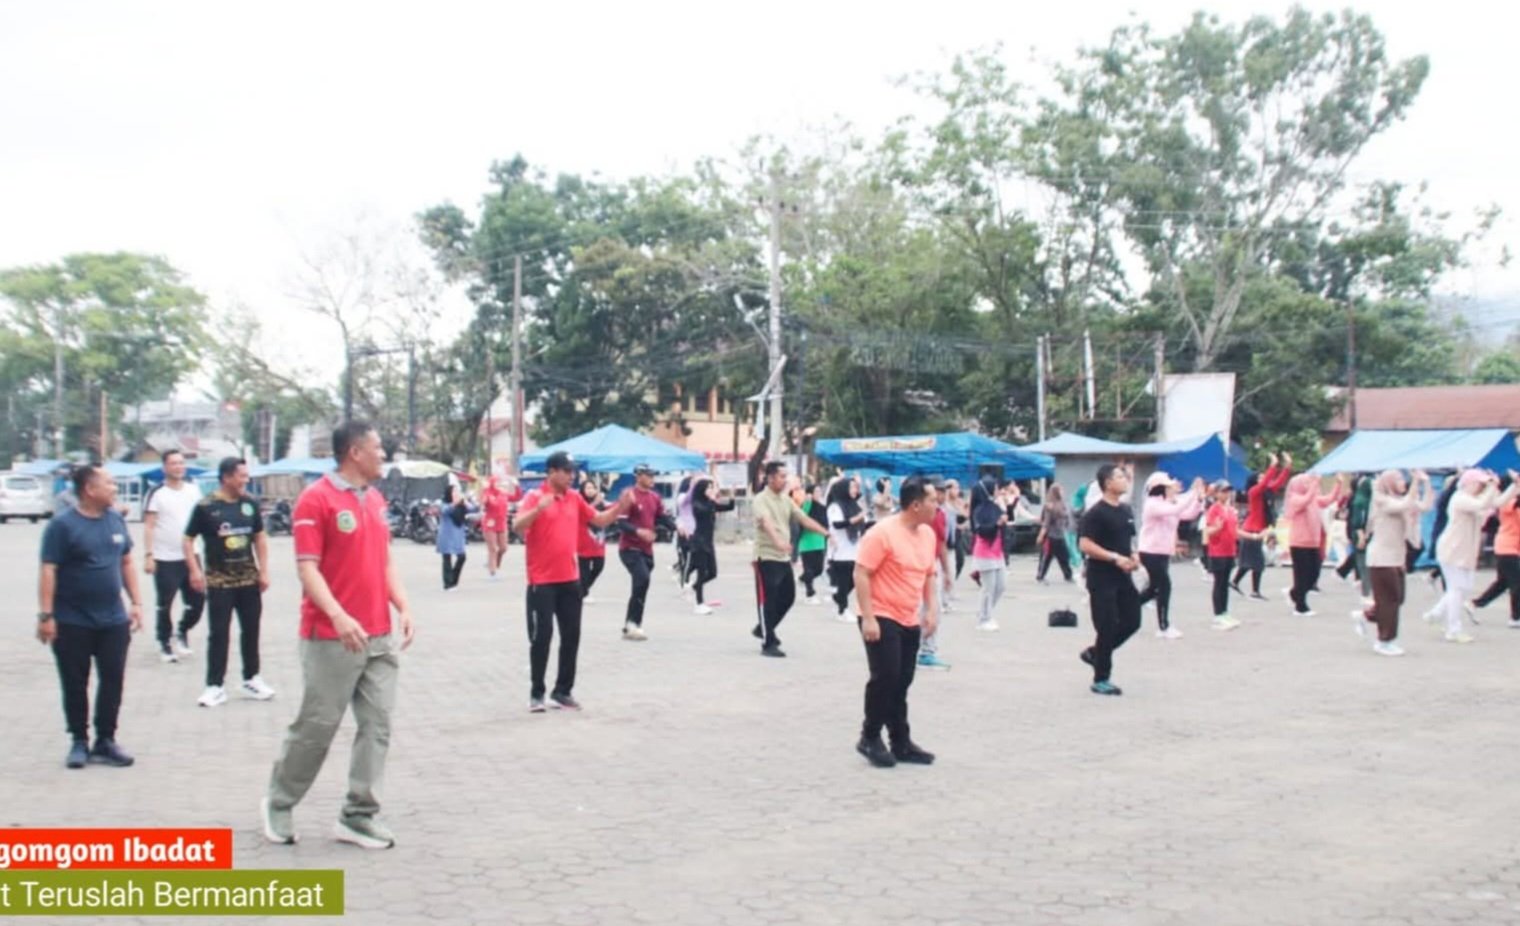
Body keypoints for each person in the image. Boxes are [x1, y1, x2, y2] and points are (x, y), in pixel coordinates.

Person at [262, 421, 416, 850]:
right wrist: (338, 614)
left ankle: (358, 815)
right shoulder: (317, 499)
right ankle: (279, 800)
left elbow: (384, 561)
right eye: (378, 447)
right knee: (317, 726)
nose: (383, 455)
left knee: (377, 725)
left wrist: (402, 605)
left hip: (379, 635)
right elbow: (306, 566)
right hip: (331, 635)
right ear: (354, 452)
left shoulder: (376, 500)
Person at [37, 464, 143, 769]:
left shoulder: (115, 521)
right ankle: (79, 741)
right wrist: (46, 615)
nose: (114, 488)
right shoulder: (62, 526)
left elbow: (126, 562)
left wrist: (136, 603)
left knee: (112, 680)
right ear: (89, 489)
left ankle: (106, 740)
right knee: (75, 681)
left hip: (112, 620)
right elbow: (48, 569)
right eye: (109, 483)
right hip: (72, 620)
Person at [514, 452, 629, 712]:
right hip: (541, 581)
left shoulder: (574, 498)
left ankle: (563, 690)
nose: (571, 476)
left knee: (571, 636)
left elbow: (598, 520)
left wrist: (620, 508)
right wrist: (537, 510)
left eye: (572, 471)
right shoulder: (535, 497)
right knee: (541, 637)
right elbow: (517, 526)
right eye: (566, 471)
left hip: (569, 579)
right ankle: (537, 693)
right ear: (552, 471)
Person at [853, 476, 941, 768]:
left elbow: (928, 574)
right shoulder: (882, 533)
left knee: (902, 681)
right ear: (915, 505)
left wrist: (931, 609)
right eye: (932, 500)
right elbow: (861, 573)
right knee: (886, 677)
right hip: (880, 614)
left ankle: (900, 741)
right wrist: (868, 618)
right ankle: (869, 736)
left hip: (908, 616)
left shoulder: (927, 534)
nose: (937, 504)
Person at [185, 456, 275, 708]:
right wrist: (194, 570)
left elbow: (259, 538)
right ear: (226, 477)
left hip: (248, 580)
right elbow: (187, 539)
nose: (245, 480)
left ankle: (251, 678)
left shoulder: (249, 505)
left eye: (247, 475)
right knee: (219, 634)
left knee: (251, 630)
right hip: (219, 582)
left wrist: (264, 570)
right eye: (241, 476)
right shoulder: (206, 507)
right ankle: (215, 685)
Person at [1077, 463, 1142, 696]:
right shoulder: (1096, 513)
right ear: (1107, 483)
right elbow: (1085, 544)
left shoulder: (1125, 510)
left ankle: (1096, 653)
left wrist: (1133, 556)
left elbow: (1129, 541)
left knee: (1133, 620)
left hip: (1123, 576)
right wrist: (1114, 558)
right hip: (1101, 577)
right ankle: (1101, 678)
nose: (1125, 480)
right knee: (1105, 626)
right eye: (1119, 476)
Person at [752, 461, 828, 657]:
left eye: (786, 476)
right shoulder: (761, 499)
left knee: (788, 597)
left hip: (783, 557)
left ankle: (764, 628)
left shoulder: (785, 500)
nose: (785, 481)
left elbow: (803, 518)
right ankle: (768, 643)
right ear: (770, 478)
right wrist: (777, 541)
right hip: (766, 556)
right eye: (781, 476)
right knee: (767, 600)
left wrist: (825, 533)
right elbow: (765, 522)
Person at [1354, 468, 1432, 655]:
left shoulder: (1401, 500)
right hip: (1381, 558)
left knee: (1398, 599)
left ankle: (1367, 615)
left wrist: (1426, 483)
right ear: (1388, 482)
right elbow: (1404, 505)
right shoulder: (1380, 499)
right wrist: (1415, 483)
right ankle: (1384, 641)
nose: (1402, 481)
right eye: (1398, 479)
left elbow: (1425, 506)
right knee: (1390, 600)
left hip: (1397, 557)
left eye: (1402, 478)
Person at [1432, 469, 1511, 644]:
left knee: (1464, 588)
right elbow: (1481, 505)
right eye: (1479, 483)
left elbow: (1498, 502)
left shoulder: (1475, 499)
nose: (1482, 487)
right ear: (1468, 483)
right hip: (1452, 549)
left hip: (1465, 550)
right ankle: (1453, 629)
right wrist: (1493, 486)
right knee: (1457, 589)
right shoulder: (1460, 498)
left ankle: (1436, 613)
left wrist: (1513, 486)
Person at [143, 449, 204, 662]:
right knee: (165, 602)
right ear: (165, 468)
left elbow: (202, 520)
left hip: (192, 555)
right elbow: (149, 526)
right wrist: (149, 555)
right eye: (173, 463)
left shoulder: (193, 491)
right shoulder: (156, 493)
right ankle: (164, 643)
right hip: (165, 556)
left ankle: (182, 631)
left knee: (198, 600)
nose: (178, 467)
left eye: (181, 463)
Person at [1135, 472, 1205, 639]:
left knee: (1153, 589)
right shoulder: (1153, 504)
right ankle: (1163, 626)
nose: (1173, 489)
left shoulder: (1167, 503)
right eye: (1169, 486)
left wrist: (1198, 499)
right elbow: (1177, 508)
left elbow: (1187, 514)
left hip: (1162, 552)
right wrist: (1193, 492)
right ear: (1160, 488)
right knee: (1163, 586)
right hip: (1150, 551)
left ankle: (1125, 608)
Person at [615, 464, 675, 641]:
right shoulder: (629, 495)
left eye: (653, 475)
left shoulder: (654, 497)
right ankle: (633, 623)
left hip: (647, 550)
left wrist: (676, 527)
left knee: (641, 586)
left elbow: (661, 517)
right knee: (642, 579)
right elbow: (621, 523)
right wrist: (638, 531)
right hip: (629, 548)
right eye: (648, 475)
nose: (652, 478)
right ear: (638, 476)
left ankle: (631, 625)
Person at [1284, 472, 1345, 616]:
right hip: (1299, 543)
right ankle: (1300, 606)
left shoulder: (1313, 498)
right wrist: (1314, 484)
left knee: (1314, 574)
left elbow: (1328, 500)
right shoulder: (1295, 498)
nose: (1308, 484)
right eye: (1305, 482)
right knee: (1302, 575)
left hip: (1313, 543)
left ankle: (1294, 593)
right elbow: (1305, 501)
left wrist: (1338, 484)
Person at [1232, 452, 1292, 599]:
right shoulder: (1253, 491)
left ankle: (1235, 582)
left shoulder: (1264, 492)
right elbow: (1266, 482)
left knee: (1249, 562)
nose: (1263, 479)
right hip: (1252, 530)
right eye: (1260, 478)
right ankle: (1253, 591)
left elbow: (1277, 482)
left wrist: (1287, 467)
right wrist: (1273, 465)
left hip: (1257, 530)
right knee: (1256, 563)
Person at [1470, 473, 1520, 627]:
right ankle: (1515, 617)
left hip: (1510, 546)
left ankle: (1475, 604)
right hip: (1507, 547)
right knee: (1517, 582)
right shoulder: (1509, 503)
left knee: (1502, 582)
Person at [688, 477, 735, 615]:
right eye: (709, 488)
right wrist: (713, 497)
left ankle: (696, 586)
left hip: (708, 542)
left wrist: (731, 495)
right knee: (701, 573)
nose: (711, 490)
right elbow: (704, 511)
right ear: (702, 490)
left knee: (713, 573)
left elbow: (729, 507)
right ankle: (699, 603)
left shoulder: (710, 503)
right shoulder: (697, 503)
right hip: (699, 542)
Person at [1201, 480, 1242, 631]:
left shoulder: (1231, 509)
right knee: (1219, 583)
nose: (1226, 494)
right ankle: (1218, 614)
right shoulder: (1214, 509)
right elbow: (1208, 530)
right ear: (1217, 493)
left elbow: (1235, 529)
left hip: (1229, 549)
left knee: (1225, 583)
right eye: (1223, 491)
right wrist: (1217, 527)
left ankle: (1225, 612)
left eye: (1228, 491)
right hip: (1217, 550)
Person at [969, 474, 1008, 631]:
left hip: (997, 552)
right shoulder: (979, 509)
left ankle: (984, 613)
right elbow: (981, 530)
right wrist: (998, 523)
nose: (998, 490)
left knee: (1001, 586)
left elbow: (1005, 518)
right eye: (996, 487)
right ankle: (984, 618)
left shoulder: (995, 505)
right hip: (985, 553)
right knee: (988, 588)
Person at [825, 476, 867, 622]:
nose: (855, 491)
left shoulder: (854, 506)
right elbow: (837, 524)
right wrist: (857, 518)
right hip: (840, 551)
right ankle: (842, 610)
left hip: (855, 550)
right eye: (852, 488)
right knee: (843, 582)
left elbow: (864, 523)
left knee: (853, 580)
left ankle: (839, 598)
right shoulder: (835, 506)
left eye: (855, 488)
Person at [1335, 475, 1373, 598]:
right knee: (1358, 555)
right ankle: (1354, 577)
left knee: (1357, 555)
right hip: (1355, 530)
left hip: (1353, 529)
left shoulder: (1356, 498)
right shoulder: (1358, 500)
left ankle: (1355, 577)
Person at [479, 476, 518, 581]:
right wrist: (483, 489)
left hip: (502, 523)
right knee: (493, 549)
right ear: (492, 483)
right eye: (497, 483)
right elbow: (482, 502)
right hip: (490, 523)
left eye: (501, 483)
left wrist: (515, 485)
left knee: (503, 548)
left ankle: (493, 564)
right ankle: (493, 573)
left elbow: (516, 497)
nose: (500, 485)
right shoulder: (488, 493)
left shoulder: (503, 494)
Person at [577, 479, 610, 601]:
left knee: (599, 567)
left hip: (598, 542)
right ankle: (583, 593)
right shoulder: (579, 502)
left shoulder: (602, 503)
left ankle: (581, 590)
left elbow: (612, 510)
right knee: (584, 571)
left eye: (592, 488)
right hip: (583, 542)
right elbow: (584, 513)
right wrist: (595, 503)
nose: (590, 490)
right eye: (587, 488)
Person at [1036, 483, 1075, 584]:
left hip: (1060, 535)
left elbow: (1067, 518)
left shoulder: (1062, 504)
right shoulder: (1049, 505)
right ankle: (1041, 575)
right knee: (1047, 556)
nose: (1063, 492)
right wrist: (1041, 535)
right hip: (1051, 536)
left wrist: (1068, 527)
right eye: (1061, 490)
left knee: (1064, 556)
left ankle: (1068, 575)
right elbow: (1046, 522)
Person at [435, 484, 472, 590]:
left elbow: (473, 509)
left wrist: (467, 501)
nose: (457, 493)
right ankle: (447, 583)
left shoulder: (462, 505)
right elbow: (445, 510)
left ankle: (453, 580)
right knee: (446, 558)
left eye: (458, 491)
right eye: (454, 491)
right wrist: (454, 503)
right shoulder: (443, 503)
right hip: (446, 535)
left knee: (462, 557)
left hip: (457, 535)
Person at [797, 483, 829, 604]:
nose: (818, 494)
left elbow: (826, 523)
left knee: (819, 569)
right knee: (809, 569)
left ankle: (802, 579)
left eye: (820, 491)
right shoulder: (805, 506)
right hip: (806, 542)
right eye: (816, 491)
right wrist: (807, 503)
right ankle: (810, 593)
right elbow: (802, 518)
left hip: (819, 542)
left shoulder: (822, 507)